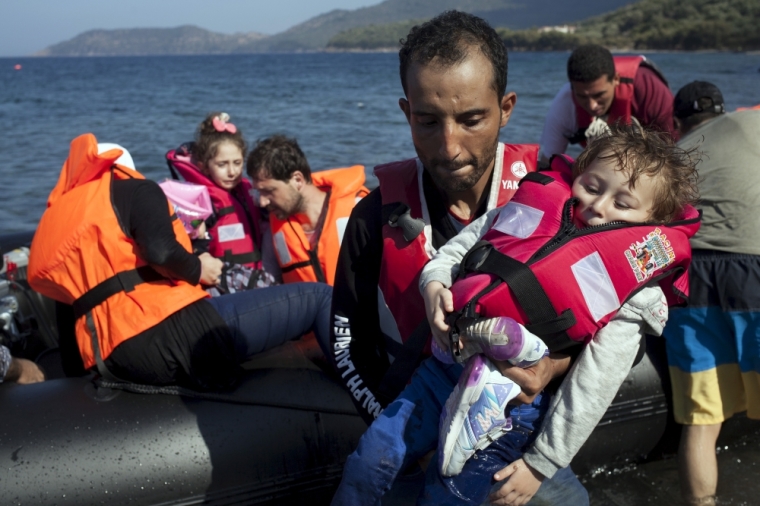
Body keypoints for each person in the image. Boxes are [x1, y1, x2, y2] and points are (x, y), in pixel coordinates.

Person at [330, 11, 588, 505]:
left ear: (506, 107)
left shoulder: (561, 205)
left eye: (471, 119)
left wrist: (552, 369)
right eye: (427, 121)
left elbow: (617, 326)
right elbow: (347, 346)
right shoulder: (372, 218)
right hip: (408, 426)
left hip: (519, 444)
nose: (449, 147)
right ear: (407, 113)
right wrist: (404, 431)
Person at [416, 125, 699, 503]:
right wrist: (434, 282)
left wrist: (540, 464)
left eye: (623, 204)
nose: (598, 207)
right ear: (578, 175)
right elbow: (457, 251)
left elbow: (593, 384)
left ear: (652, 223)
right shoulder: (529, 208)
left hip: (523, 412)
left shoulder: (637, 294)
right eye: (593, 187)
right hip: (448, 365)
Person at [28, 134, 332, 391]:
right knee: (318, 297)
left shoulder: (59, 223)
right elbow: (161, 252)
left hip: (110, 358)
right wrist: (200, 268)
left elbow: (69, 337)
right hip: (174, 333)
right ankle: (368, 393)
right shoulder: (132, 188)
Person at [661, 81, 760, 506]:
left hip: (691, 277)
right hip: (752, 267)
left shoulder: (673, 157)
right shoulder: (749, 123)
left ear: (677, 123)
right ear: (723, 108)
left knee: (701, 423)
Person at [166, 112, 276, 294]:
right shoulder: (201, 203)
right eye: (222, 164)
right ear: (203, 166)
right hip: (223, 285)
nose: (232, 171)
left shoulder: (250, 192)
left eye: (237, 163)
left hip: (256, 277)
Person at [246, 135, 369, 286]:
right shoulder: (274, 232)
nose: (263, 202)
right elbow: (270, 285)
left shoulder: (359, 211)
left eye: (269, 191)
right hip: (308, 309)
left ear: (297, 180)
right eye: (259, 192)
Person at [538, 44, 676, 164]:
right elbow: (548, 162)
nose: (592, 105)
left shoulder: (649, 87)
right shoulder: (564, 103)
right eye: (582, 97)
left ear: (616, 79)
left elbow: (676, 149)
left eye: (599, 95)